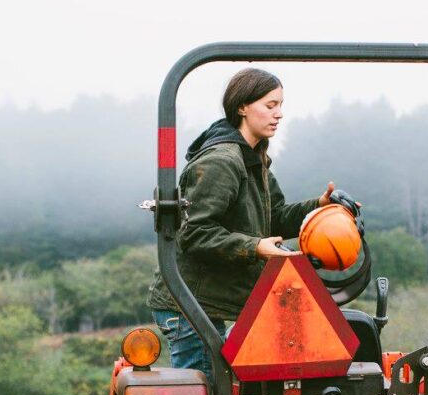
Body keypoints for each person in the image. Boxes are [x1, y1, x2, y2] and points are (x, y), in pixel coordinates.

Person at [147, 68, 358, 378]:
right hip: (191, 304)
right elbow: (194, 234)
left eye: (281, 105)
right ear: (242, 107)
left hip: (213, 301)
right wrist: (255, 247)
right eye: (270, 105)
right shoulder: (222, 161)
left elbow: (276, 216)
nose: (279, 114)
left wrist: (320, 206)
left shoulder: (254, 158)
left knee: (233, 391)